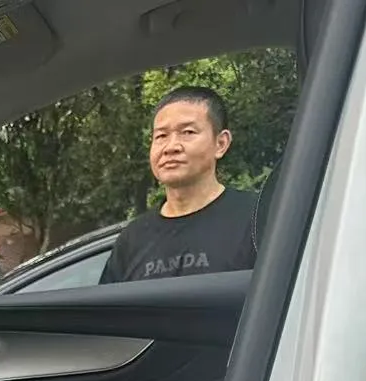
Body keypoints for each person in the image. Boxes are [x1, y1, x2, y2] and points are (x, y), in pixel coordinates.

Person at [100, 86, 258, 285]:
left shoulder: (258, 218)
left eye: (188, 132)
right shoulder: (132, 239)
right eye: (161, 136)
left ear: (221, 144)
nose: (171, 147)